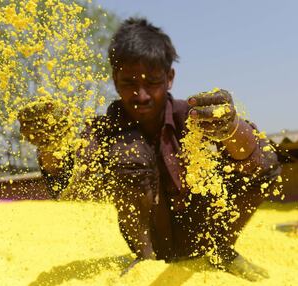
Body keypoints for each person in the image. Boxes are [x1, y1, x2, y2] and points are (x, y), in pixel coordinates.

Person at [18, 18, 280, 281]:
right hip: (153, 250)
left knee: (266, 159)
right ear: (115, 80)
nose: (140, 95)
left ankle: (220, 250)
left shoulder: (193, 118)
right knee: (130, 155)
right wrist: (51, 146)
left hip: (208, 237)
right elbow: (65, 182)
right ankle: (145, 257)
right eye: (129, 83)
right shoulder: (104, 131)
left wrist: (231, 129)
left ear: (169, 78)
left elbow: (262, 163)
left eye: (152, 82)